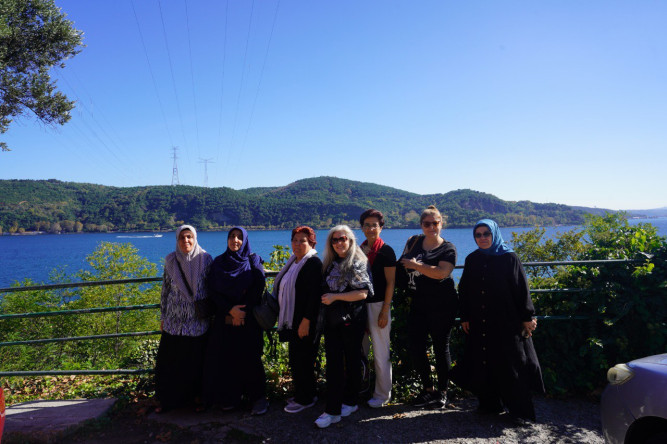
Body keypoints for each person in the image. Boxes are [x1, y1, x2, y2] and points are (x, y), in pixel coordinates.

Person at [452, 219, 544, 424]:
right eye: (478, 235)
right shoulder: (472, 259)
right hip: (479, 321)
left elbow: (522, 288)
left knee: (512, 365)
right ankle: (489, 404)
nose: (482, 238)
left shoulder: (509, 258)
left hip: (506, 321)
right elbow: (464, 290)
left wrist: (527, 316)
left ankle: (521, 412)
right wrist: (465, 316)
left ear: (494, 234)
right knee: (484, 362)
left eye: (486, 234)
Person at [202, 227, 269, 415]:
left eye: (239, 237)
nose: (235, 240)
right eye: (232, 236)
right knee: (227, 359)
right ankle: (231, 397)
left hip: (248, 320)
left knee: (251, 358)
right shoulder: (218, 263)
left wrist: (242, 311)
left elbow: (259, 285)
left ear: (245, 240)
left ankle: (258, 398)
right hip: (225, 319)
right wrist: (231, 310)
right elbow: (213, 291)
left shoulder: (252, 260)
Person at [397, 205, 458, 409]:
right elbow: (402, 264)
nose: (432, 227)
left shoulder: (447, 248)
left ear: (442, 223)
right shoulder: (413, 242)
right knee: (416, 347)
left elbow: (442, 273)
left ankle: (443, 391)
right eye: (427, 223)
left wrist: (416, 266)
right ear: (421, 225)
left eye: (436, 223)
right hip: (418, 303)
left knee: (441, 348)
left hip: (442, 304)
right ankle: (428, 389)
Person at [315, 225, 373, 429]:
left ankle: (334, 411)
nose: (339, 242)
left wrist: (334, 297)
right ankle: (349, 402)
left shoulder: (356, 262)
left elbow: (363, 293)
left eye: (343, 239)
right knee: (339, 362)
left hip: (351, 319)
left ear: (350, 241)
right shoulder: (331, 263)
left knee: (347, 361)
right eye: (335, 239)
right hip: (334, 320)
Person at [155, 225, 212, 413]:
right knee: (171, 363)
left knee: (194, 363)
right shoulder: (171, 260)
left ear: (195, 238)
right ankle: (170, 401)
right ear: (177, 240)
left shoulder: (205, 259)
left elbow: (212, 289)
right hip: (173, 322)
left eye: (189, 237)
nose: (186, 241)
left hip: (196, 323)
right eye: (182, 237)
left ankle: (194, 400)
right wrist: (163, 316)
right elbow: (165, 290)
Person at [274, 226, 323, 414]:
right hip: (292, 320)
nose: (297, 244)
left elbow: (314, 295)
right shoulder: (294, 261)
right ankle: (305, 393)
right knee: (297, 359)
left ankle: (306, 399)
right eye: (294, 240)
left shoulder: (313, 263)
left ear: (311, 242)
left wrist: (306, 321)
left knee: (304, 360)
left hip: (304, 321)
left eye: (302, 240)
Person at [359, 209, 396, 408]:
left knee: (381, 352)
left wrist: (385, 310)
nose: (371, 228)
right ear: (362, 228)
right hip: (359, 305)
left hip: (379, 305)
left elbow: (391, 282)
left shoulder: (386, 251)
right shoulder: (359, 249)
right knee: (361, 350)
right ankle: (361, 389)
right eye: (367, 225)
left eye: (374, 225)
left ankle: (382, 394)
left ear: (381, 227)